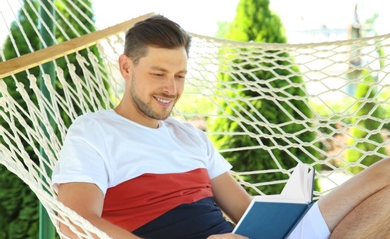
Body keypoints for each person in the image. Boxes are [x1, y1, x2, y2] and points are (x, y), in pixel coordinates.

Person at [52, 15, 390, 239]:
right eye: (158, 74)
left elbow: (245, 212)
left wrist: (286, 209)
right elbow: (75, 223)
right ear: (126, 67)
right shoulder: (93, 132)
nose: (171, 89)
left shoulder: (191, 137)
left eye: (180, 75)